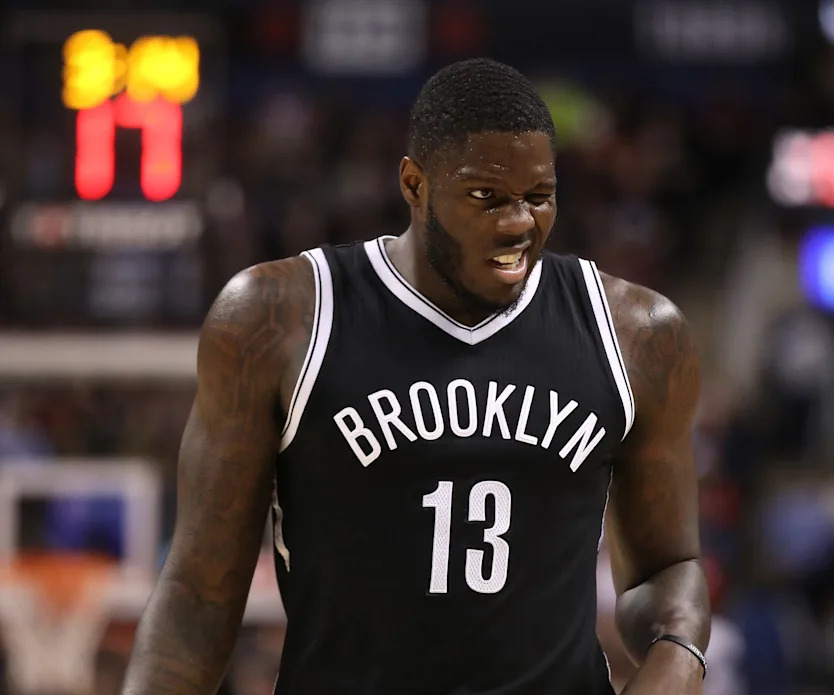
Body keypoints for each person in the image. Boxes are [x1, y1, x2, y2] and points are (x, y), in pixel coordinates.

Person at [121, 58, 710, 695]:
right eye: (486, 196)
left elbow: (666, 568)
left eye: (538, 197)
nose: (518, 222)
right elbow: (198, 595)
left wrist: (678, 658)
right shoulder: (278, 318)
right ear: (414, 184)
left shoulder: (637, 333)